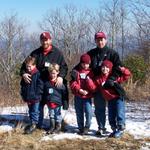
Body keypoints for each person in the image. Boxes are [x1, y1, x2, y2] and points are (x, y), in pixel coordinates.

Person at [20, 32, 68, 129]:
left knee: (54, 106)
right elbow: (25, 65)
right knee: (39, 105)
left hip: (52, 85)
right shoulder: (35, 53)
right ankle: (37, 125)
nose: (44, 42)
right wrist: (24, 73)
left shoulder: (57, 53)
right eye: (42, 40)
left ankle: (56, 124)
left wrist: (61, 77)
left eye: (46, 40)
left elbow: (64, 67)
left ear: (50, 40)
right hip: (38, 85)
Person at [87, 31, 123, 136]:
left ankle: (116, 128)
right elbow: (83, 63)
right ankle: (101, 127)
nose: (100, 41)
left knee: (114, 108)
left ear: (105, 40)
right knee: (99, 107)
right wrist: (75, 71)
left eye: (102, 39)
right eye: (98, 40)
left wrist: (112, 79)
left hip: (110, 86)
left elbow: (119, 68)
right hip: (98, 85)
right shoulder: (91, 53)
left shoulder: (112, 53)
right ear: (95, 41)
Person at [86, 60, 131, 138]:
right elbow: (93, 88)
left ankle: (120, 129)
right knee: (111, 116)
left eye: (107, 67)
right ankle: (114, 130)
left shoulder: (113, 76)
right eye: (103, 67)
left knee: (119, 113)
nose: (105, 69)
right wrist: (89, 80)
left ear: (110, 69)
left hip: (118, 98)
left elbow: (126, 76)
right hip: (110, 100)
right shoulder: (98, 79)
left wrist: (123, 70)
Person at [70, 53, 94, 135]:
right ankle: (81, 127)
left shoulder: (91, 73)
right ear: (81, 63)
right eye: (84, 63)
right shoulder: (76, 72)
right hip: (78, 96)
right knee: (79, 112)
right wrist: (79, 90)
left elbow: (93, 85)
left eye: (87, 64)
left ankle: (87, 127)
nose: (85, 65)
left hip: (88, 97)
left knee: (89, 112)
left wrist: (88, 90)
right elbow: (73, 83)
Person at [20, 56, 43, 134]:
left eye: (30, 66)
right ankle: (31, 123)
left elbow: (40, 86)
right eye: (27, 67)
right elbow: (22, 85)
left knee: (35, 111)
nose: (28, 68)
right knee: (30, 111)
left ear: (34, 65)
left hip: (35, 98)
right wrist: (23, 94)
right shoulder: (26, 75)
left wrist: (37, 95)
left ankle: (34, 124)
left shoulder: (37, 74)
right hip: (28, 97)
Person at [44, 63, 68, 134]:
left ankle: (58, 127)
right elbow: (45, 92)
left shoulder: (60, 83)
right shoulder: (47, 83)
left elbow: (64, 94)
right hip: (50, 103)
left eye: (54, 73)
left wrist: (65, 103)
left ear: (58, 72)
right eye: (51, 73)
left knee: (57, 115)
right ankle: (52, 127)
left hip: (57, 103)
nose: (53, 75)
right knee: (51, 115)